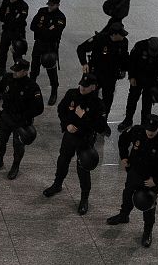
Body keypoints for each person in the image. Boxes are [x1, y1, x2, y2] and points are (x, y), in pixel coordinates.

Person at [107, 114, 158, 249]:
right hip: (135, 172)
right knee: (127, 194)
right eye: (148, 129)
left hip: (150, 180)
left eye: (153, 130)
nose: (150, 133)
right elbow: (123, 139)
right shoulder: (137, 131)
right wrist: (124, 157)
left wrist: (156, 181)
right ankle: (124, 215)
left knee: (148, 204)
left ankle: (147, 231)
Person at [43, 74, 107, 215]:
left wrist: (83, 116)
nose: (82, 88)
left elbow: (101, 127)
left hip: (85, 139)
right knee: (63, 160)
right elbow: (61, 110)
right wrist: (66, 125)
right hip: (70, 135)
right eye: (81, 85)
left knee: (83, 169)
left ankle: (84, 198)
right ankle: (57, 184)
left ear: (93, 87)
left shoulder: (98, 104)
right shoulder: (72, 94)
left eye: (85, 86)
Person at [0, 59, 44, 179]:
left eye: (17, 71)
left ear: (25, 72)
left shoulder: (32, 87)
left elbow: (39, 108)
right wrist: (0, 95)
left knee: (18, 145)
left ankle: (15, 165)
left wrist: (25, 116)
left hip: (21, 121)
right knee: (0, 141)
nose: (14, 73)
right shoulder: (8, 78)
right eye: (14, 70)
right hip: (6, 116)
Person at [77, 22, 129, 136]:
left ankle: (103, 123)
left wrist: (124, 70)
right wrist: (84, 63)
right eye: (121, 34)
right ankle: (86, 121)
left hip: (111, 76)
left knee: (107, 100)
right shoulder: (99, 39)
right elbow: (80, 48)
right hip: (95, 74)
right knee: (89, 97)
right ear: (114, 34)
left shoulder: (124, 42)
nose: (123, 36)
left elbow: (124, 57)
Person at [120, 36, 158, 131]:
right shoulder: (140, 46)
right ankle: (128, 120)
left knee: (147, 104)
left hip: (153, 80)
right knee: (132, 100)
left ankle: (144, 124)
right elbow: (132, 62)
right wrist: (131, 76)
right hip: (138, 78)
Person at [29, 0, 66, 105]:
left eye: (52, 5)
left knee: (51, 71)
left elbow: (54, 34)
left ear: (58, 5)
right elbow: (32, 26)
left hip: (50, 47)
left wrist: (41, 29)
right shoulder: (42, 11)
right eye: (49, 4)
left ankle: (54, 92)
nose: (50, 6)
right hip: (39, 44)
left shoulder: (60, 18)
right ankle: (31, 89)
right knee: (34, 69)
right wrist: (46, 30)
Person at [0, 0, 29, 78]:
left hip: (17, 33)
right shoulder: (6, 2)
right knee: (2, 51)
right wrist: (11, 18)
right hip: (7, 31)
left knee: (17, 52)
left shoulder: (24, 6)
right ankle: (2, 69)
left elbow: (18, 21)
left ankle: (19, 71)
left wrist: (7, 16)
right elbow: (1, 17)